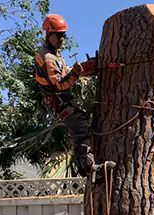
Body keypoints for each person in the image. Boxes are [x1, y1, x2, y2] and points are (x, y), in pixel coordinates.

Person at [34, 13, 113, 183]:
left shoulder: (54, 53)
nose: (62, 39)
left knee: (86, 125)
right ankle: (91, 170)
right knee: (80, 132)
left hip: (63, 99)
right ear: (49, 34)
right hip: (59, 101)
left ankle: (90, 164)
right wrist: (77, 72)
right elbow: (59, 84)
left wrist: (86, 69)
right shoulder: (48, 58)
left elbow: (65, 72)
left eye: (64, 35)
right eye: (59, 35)